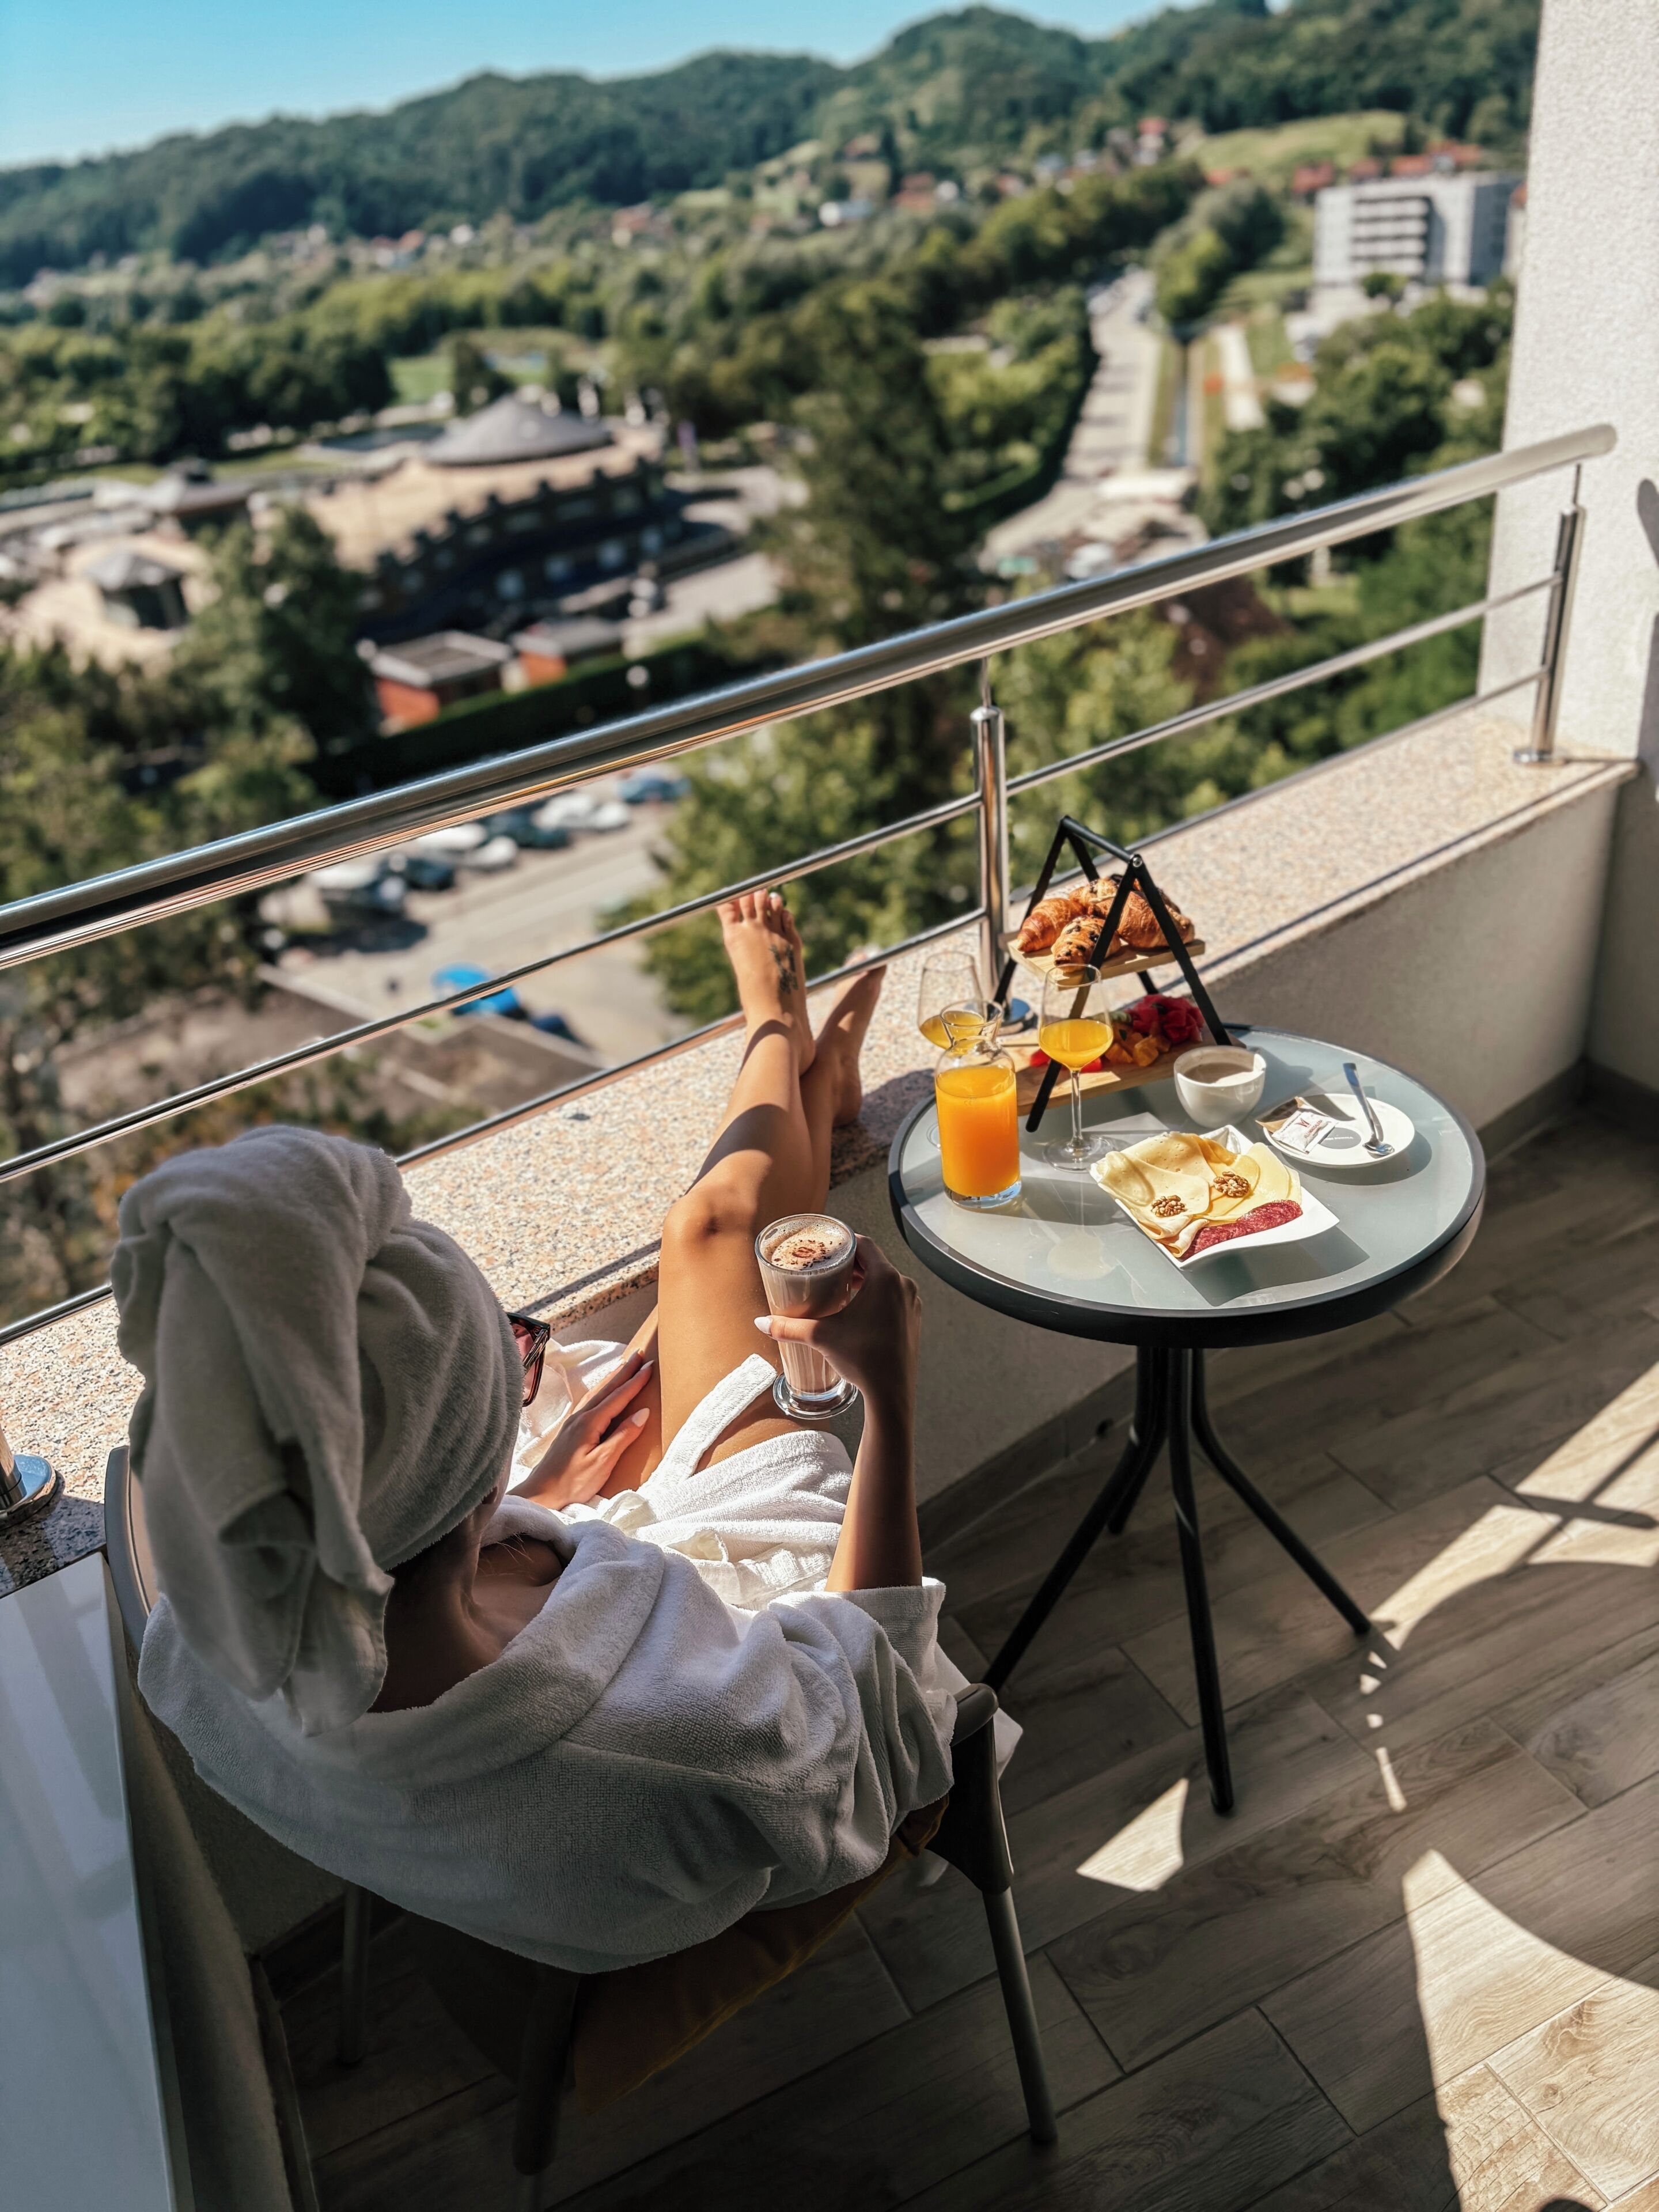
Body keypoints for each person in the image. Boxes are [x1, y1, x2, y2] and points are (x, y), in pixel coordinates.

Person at [123, 892, 958, 1976]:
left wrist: (538, 1508)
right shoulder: (691, 1751)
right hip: (754, 1682)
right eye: (517, 1366)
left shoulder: (201, 1644)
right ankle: (783, 1040)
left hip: (544, 1677)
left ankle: (801, 1068)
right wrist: (890, 1400)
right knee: (711, 1243)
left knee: (703, 1263)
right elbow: (883, 1715)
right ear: (469, 1477)